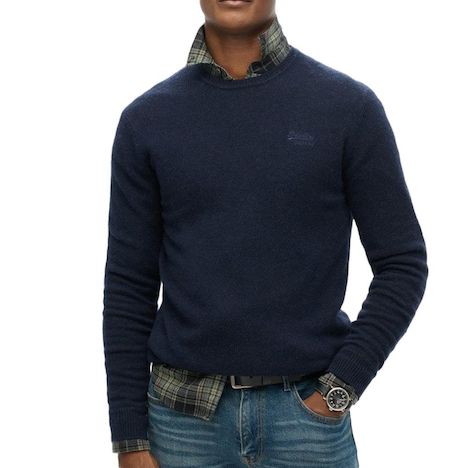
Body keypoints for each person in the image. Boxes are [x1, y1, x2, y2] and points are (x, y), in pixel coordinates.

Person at [102, 1, 429, 467]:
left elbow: (402, 263)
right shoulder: (147, 120)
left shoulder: (347, 108)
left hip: (307, 421)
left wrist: (338, 389)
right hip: (181, 423)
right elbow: (128, 286)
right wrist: (130, 438)